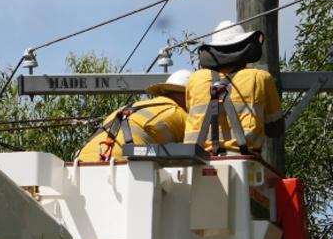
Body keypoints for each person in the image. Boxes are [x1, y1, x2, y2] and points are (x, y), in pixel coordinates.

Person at [182, 20, 282, 155]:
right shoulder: (260, 78)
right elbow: (275, 129)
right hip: (242, 160)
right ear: (246, 48)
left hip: (196, 160)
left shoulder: (194, 79)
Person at [75, 69, 190, 162]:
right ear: (188, 96)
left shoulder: (130, 107)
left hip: (82, 162)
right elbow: (204, 149)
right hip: (120, 166)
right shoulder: (178, 113)